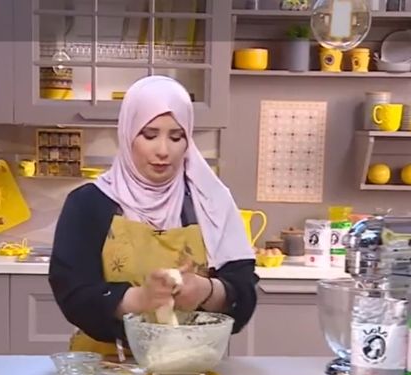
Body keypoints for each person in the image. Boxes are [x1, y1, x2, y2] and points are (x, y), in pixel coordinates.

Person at [48, 76, 258, 358]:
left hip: (192, 366)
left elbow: (244, 295)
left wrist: (207, 290)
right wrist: (139, 299)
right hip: (107, 369)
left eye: (176, 137)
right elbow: (73, 293)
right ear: (128, 134)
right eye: (149, 135)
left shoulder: (211, 202)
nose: (163, 150)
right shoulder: (88, 204)